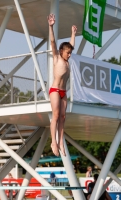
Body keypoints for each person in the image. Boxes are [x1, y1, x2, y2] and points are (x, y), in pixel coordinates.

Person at [47, 13, 77, 156]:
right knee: (56, 115)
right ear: (61, 52)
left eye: (70, 53)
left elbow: (71, 45)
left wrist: (73, 33)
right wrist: (50, 27)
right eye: (68, 53)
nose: (69, 55)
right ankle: (53, 141)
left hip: (64, 92)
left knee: (63, 117)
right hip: (55, 90)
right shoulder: (57, 58)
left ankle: (60, 142)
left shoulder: (66, 61)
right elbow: (52, 42)